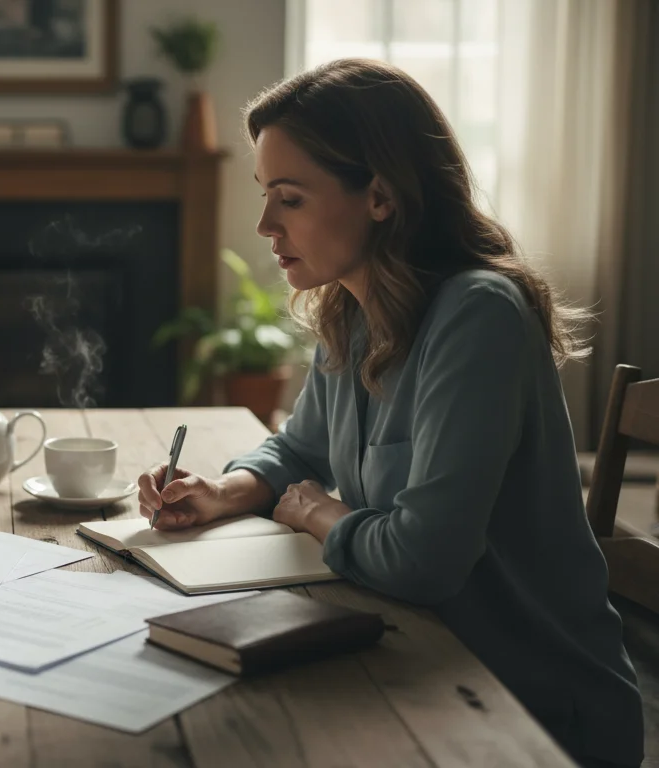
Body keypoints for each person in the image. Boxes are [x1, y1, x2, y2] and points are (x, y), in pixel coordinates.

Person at [137, 59, 642, 768]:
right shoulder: (348, 311)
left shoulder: (479, 317)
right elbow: (299, 452)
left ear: (379, 195)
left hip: (529, 705)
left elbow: (422, 561)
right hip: (419, 655)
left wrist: (318, 514)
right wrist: (224, 492)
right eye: (265, 196)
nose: (263, 224)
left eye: (289, 199)